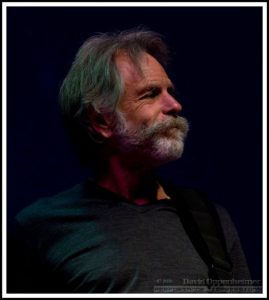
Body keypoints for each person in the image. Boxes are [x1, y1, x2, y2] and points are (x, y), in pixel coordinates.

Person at [7, 29, 251, 293]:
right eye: (150, 93)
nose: (175, 105)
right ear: (101, 120)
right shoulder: (40, 229)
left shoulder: (212, 220)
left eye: (170, 91)